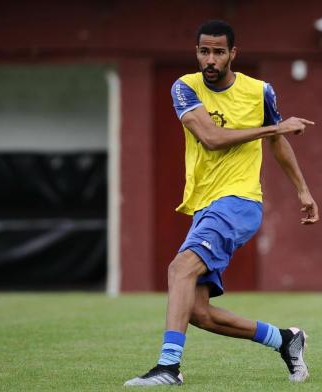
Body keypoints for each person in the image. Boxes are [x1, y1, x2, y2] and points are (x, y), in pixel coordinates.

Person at [124, 20, 319, 387]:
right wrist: (273, 127)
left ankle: (168, 368)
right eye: (203, 51)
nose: (210, 59)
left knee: (179, 269)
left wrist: (303, 190)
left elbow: (279, 145)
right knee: (198, 312)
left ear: (233, 53)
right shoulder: (185, 87)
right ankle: (285, 340)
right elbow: (211, 138)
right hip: (205, 207)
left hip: (240, 201)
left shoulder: (260, 91)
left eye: (218, 52)